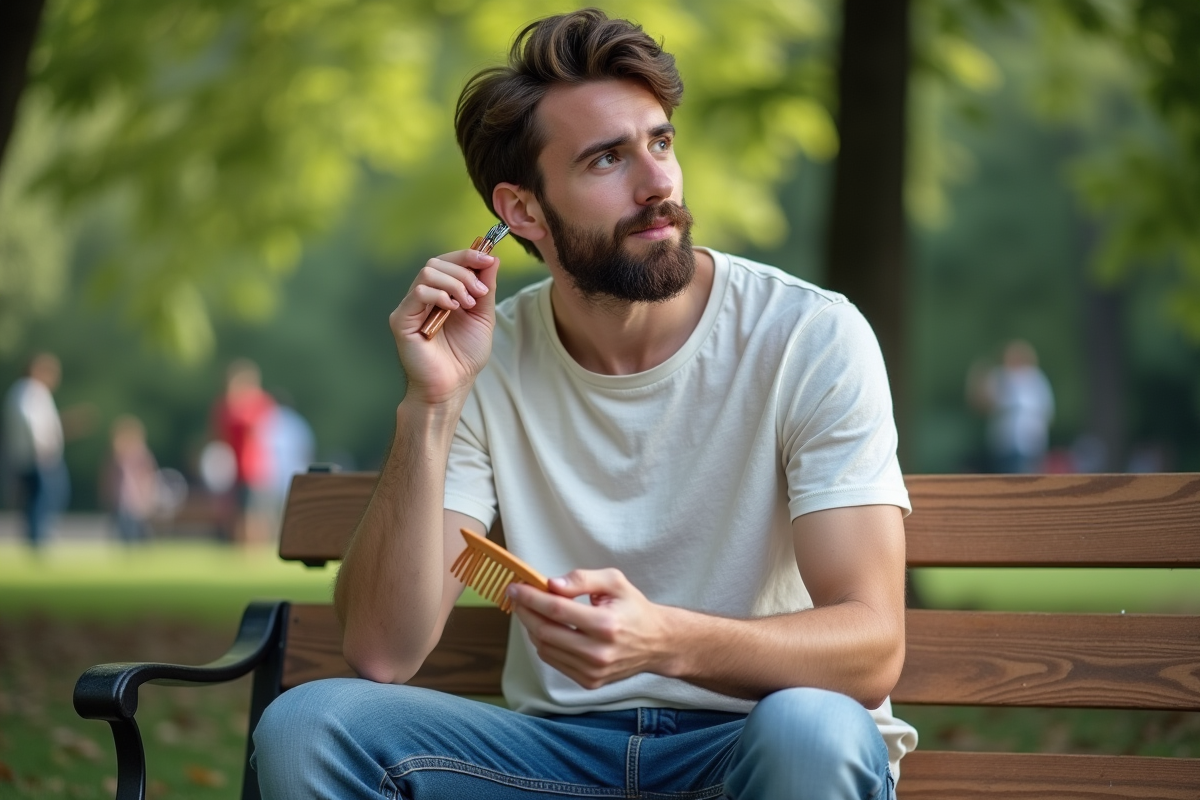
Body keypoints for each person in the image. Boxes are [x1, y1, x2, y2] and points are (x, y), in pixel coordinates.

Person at [253, 10, 915, 799]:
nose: (657, 184)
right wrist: (430, 403)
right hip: (556, 759)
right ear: (522, 211)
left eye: (660, 143)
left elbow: (872, 645)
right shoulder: (485, 358)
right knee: (309, 727)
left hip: (751, 749)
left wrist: (662, 640)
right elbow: (383, 653)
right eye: (607, 159)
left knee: (812, 732)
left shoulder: (809, 336)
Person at [2, 353, 69, 548]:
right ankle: (39, 536)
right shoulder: (32, 391)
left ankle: (35, 536)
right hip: (38, 456)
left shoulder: (18, 391)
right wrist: (41, 446)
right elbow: (31, 421)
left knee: (33, 499)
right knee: (47, 497)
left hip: (23, 455)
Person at [210, 359, 276, 544]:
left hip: (253, 467)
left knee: (253, 512)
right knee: (236, 510)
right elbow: (220, 428)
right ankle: (240, 544)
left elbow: (256, 427)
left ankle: (253, 545)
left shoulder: (258, 401)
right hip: (232, 467)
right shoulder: (226, 403)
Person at [967, 340, 1055, 474]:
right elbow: (979, 404)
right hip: (1003, 444)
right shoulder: (999, 376)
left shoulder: (1036, 378)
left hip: (1031, 444)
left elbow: (1047, 411)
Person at [100, 415, 160, 544]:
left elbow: (148, 477)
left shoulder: (141, 454)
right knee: (123, 529)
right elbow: (108, 478)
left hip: (136, 499)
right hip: (120, 500)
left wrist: (148, 496)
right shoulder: (115, 457)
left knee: (138, 529)